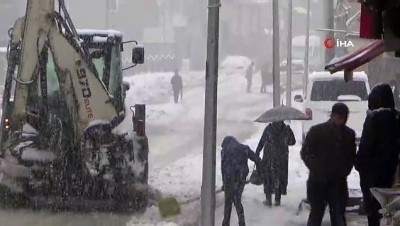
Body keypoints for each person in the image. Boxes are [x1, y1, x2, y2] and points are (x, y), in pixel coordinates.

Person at [301, 103, 356, 226]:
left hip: (338, 183)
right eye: (338, 117)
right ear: (332, 115)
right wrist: (316, 167)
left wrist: (344, 170)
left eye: (344, 118)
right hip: (317, 182)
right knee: (315, 216)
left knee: (338, 217)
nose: (341, 121)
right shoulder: (317, 131)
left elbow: (351, 156)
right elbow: (305, 152)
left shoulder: (349, 134)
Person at [355, 83, 400, 226]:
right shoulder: (397, 118)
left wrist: (359, 164)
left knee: (375, 213)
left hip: (373, 177)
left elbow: (365, 148)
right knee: (392, 212)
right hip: (393, 175)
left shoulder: (373, 119)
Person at [221, 136, 261, 226]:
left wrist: (224, 183)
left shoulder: (224, 151)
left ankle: (226, 223)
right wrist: (259, 167)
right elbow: (256, 158)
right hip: (240, 178)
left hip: (229, 179)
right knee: (237, 201)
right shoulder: (244, 148)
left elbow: (223, 168)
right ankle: (242, 222)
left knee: (228, 203)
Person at [255, 121, 296, 206]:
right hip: (281, 159)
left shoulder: (268, 129)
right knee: (279, 178)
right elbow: (292, 142)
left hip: (269, 157)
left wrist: (257, 152)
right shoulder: (286, 129)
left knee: (268, 178)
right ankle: (277, 200)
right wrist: (288, 134)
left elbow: (262, 141)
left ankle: (268, 200)